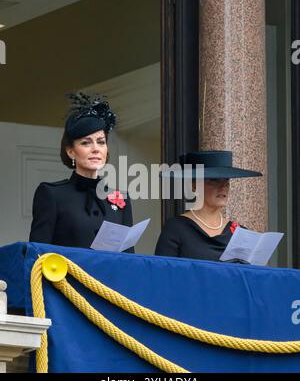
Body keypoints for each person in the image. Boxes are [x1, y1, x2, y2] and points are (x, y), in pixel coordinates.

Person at [29, 92, 133, 251]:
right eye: (86, 143)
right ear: (71, 151)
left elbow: (128, 258)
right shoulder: (51, 194)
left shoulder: (121, 200)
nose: (96, 149)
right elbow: (38, 254)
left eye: (101, 142)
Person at [155, 150, 262, 262]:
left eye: (226, 181)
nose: (223, 187)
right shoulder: (176, 229)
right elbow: (162, 273)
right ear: (194, 185)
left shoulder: (239, 233)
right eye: (213, 181)